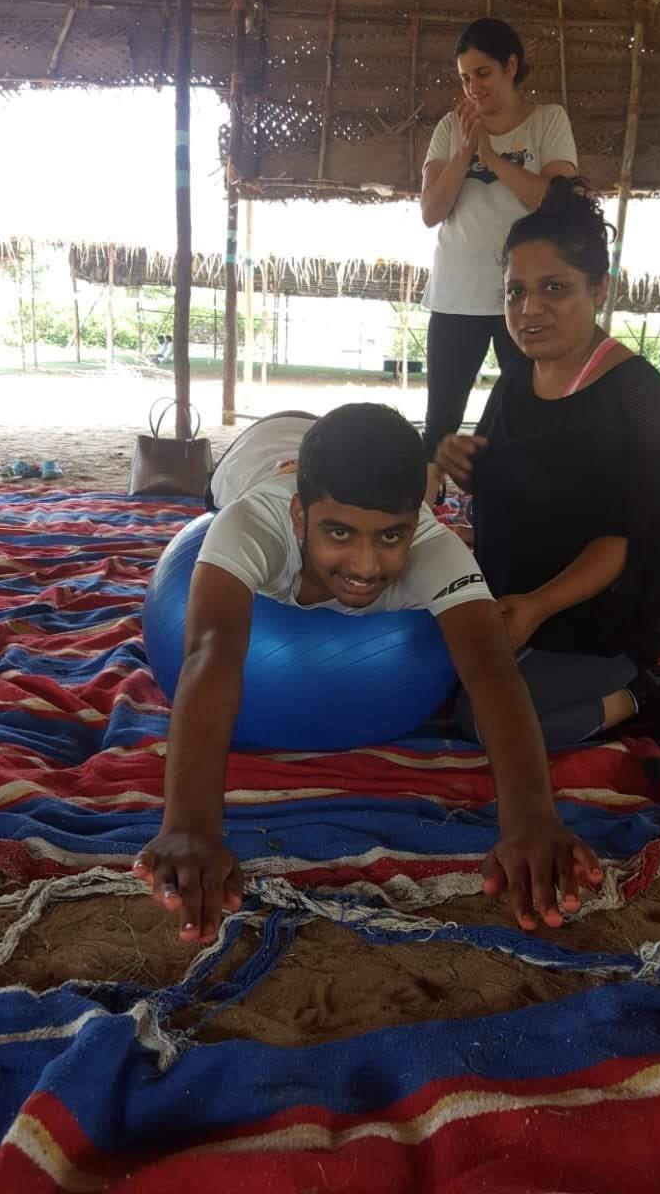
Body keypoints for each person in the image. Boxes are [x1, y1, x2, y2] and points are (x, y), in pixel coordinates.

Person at [133, 404, 603, 943]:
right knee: (221, 504)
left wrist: (531, 820)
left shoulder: (435, 547)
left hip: (324, 450)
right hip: (258, 452)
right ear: (299, 518)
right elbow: (211, 654)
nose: (365, 565)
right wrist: (189, 826)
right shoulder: (251, 524)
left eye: (391, 537)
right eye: (339, 532)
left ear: (415, 522)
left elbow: (492, 669)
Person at [436, 178, 660, 749]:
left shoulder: (637, 396)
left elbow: (630, 541)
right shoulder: (518, 376)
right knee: (430, 679)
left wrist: (536, 608)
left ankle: (640, 693)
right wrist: (462, 462)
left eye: (554, 288)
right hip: (516, 595)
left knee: (483, 721)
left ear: (599, 288)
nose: (529, 310)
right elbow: (497, 474)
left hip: (599, 613)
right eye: (515, 292)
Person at [421, 17, 577, 492]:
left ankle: (506, 504)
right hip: (456, 296)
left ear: (511, 66)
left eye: (483, 73)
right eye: (465, 78)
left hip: (526, 300)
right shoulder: (451, 128)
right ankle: (423, 512)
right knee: (440, 418)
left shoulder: (547, 121)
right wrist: (466, 151)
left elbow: (555, 201)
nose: (473, 87)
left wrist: (490, 158)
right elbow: (431, 211)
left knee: (522, 413)